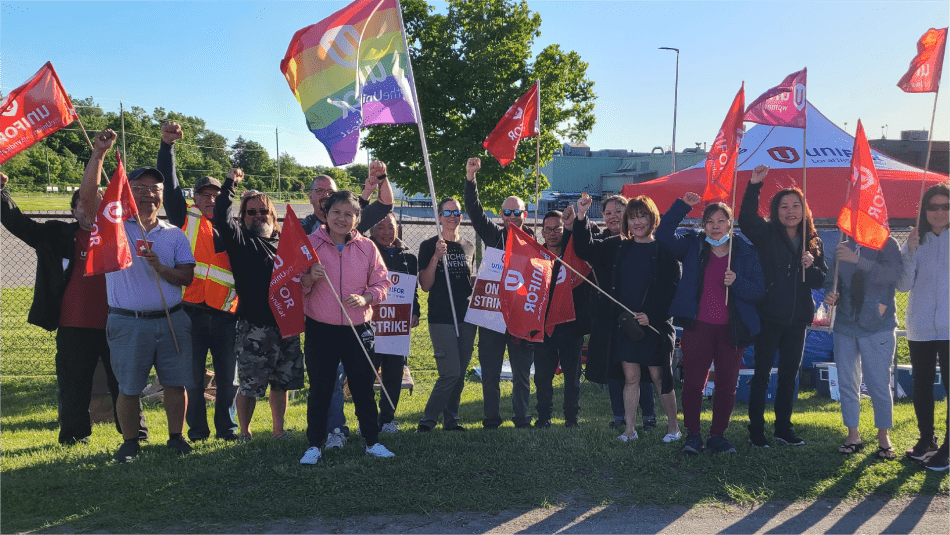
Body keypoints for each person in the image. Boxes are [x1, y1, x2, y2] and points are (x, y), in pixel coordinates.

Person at [1, 171, 147, 445]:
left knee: (126, 384)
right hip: (74, 326)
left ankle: (134, 434)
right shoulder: (57, 235)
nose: (90, 206)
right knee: (74, 385)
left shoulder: (120, 234)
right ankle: (74, 436)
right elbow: (19, 224)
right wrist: (1, 194)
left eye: (98, 202)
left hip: (119, 323)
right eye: (84, 202)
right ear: (73, 210)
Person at [79, 129, 196, 463]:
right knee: (129, 387)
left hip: (172, 319)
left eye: (154, 190)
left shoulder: (174, 234)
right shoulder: (113, 225)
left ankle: (176, 438)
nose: (149, 195)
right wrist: (99, 154)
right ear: (129, 193)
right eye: (140, 189)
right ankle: (130, 442)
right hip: (128, 323)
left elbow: (186, 276)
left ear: (162, 196)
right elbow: (88, 201)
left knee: (175, 384)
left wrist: (162, 269)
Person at [657, 193, 765, 454]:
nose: (715, 226)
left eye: (721, 220)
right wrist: (683, 205)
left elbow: (759, 291)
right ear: (703, 225)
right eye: (710, 221)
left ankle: (718, 436)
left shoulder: (746, 252)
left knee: (727, 384)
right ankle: (693, 435)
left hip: (732, 329)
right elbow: (663, 234)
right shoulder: (693, 246)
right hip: (698, 327)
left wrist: (736, 282)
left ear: (730, 223)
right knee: (694, 383)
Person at [571, 194, 682, 443]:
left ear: (652, 218)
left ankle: (673, 429)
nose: (637, 222)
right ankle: (629, 430)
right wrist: (581, 216)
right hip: (626, 326)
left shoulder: (664, 249)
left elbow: (672, 288)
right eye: (632, 218)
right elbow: (584, 249)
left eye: (642, 216)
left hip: (654, 327)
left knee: (658, 377)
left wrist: (651, 316)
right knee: (630, 378)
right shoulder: (618, 245)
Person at [300, 161, 393, 442]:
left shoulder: (367, 247)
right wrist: (309, 279)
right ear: (325, 214)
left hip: (358, 329)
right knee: (321, 390)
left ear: (357, 218)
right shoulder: (309, 244)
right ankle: (315, 444)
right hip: (321, 329)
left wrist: (366, 297)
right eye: (336, 212)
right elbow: (295, 286)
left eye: (349, 214)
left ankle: (372, 442)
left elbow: (383, 283)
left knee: (363, 388)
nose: (342, 218)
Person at [158, 122, 239, 442]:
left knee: (227, 380)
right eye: (204, 194)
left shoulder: (232, 226)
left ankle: (228, 429)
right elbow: (171, 183)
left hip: (225, 313)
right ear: (196, 197)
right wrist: (168, 147)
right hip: (190, 312)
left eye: (215, 194)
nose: (209, 199)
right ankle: (198, 431)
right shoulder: (184, 216)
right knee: (192, 379)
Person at [739, 165, 827, 448]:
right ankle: (756, 431)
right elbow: (746, 220)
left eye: (796, 205)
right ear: (776, 211)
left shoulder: (814, 241)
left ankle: (783, 428)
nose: (790, 211)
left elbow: (818, 280)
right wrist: (754, 186)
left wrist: (811, 265)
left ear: (804, 209)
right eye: (784, 206)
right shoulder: (766, 234)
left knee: (790, 375)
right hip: (768, 317)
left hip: (798, 319)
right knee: (762, 374)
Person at [214, 169, 304, 441]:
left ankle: (278, 431)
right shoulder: (240, 240)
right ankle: (244, 432)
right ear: (243, 217)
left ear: (272, 215)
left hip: (287, 325)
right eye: (251, 212)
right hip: (255, 325)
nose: (258, 216)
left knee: (282, 383)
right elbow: (220, 216)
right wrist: (230, 184)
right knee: (250, 386)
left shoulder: (285, 243)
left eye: (263, 211)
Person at [464, 157, 534, 429]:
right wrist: (471, 179)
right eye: (507, 213)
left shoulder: (534, 245)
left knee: (521, 373)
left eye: (517, 212)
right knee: (491, 372)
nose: (512, 217)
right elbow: (474, 210)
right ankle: (491, 419)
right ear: (501, 216)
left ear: (525, 214)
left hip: (520, 319)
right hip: (492, 317)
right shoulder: (494, 236)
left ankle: (521, 418)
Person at [824, 231, 902, 460]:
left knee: (879, 383)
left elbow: (893, 275)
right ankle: (852, 435)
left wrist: (858, 260)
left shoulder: (888, 243)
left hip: (878, 325)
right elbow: (831, 280)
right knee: (847, 383)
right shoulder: (841, 245)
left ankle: (883, 436)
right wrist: (831, 294)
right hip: (845, 325)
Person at [586, 195, 658, 432]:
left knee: (644, 369)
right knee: (615, 369)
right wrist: (577, 220)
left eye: (619, 211)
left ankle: (649, 416)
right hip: (610, 316)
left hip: (639, 314)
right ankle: (620, 416)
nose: (613, 216)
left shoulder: (643, 243)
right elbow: (583, 248)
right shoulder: (604, 243)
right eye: (607, 212)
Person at [897, 182, 949, 471]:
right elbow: (903, 286)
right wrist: (911, 252)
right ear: (924, 211)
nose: (940, 212)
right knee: (922, 385)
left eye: (946, 206)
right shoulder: (915, 241)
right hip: (920, 326)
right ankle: (926, 439)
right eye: (933, 206)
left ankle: (948, 449)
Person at [416, 198, 477, 432]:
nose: (453, 216)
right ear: (439, 217)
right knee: (449, 373)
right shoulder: (429, 245)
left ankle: (451, 419)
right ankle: (427, 421)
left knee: (459, 374)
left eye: (457, 212)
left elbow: (468, 281)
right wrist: (435, 258)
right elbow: (425, 285)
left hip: (466, 318)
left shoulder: (469, 246)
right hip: (441, 317)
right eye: (447, 212)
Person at [532, 210, 589, 428]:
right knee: (543, 376)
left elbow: (587, 234)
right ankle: (544, 416)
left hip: (571, 324)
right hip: (544, 325)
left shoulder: (574, 252)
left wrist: (576, 221)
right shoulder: (535, 256)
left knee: (572, 376)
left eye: (557, 228)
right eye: (548, 229)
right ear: (543, 233)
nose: (553, 233)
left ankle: (571, 417)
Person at [369, 212, 421, 432]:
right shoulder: (365, 251)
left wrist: (415, 312)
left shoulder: (409, 257)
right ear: (372, 230)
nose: (386, 232)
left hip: (396, 326)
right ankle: (368, 419)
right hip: (370, 324)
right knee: (367, 372)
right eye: (380, 227)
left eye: (390, 227)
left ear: (397, 229)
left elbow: (413, 290)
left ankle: (387, 419)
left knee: (393, 373)